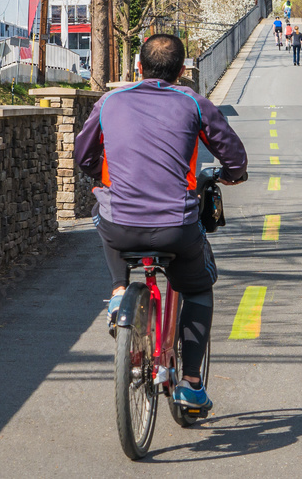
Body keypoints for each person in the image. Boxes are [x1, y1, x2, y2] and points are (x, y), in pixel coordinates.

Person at [75, 34, 248, 412]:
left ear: (138, 67)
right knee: (199, 289)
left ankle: (120, 289)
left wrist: (101, 178)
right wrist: (233, 174)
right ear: (182, 72)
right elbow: (233, 155)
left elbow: (83, 154)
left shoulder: (109, 101)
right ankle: (190, 383)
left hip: (120, 224)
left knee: (104, 212)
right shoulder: (194, 103)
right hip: (176, 227)